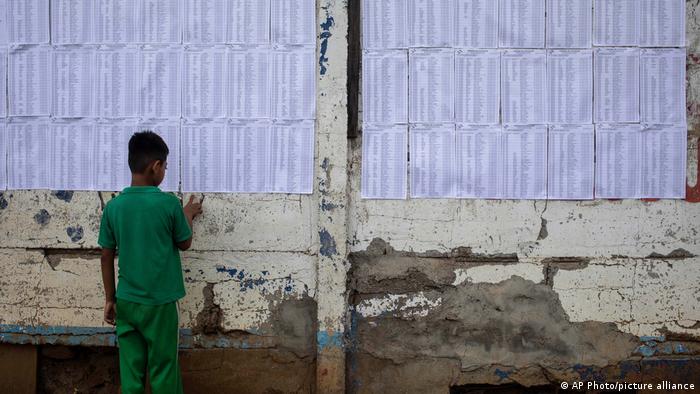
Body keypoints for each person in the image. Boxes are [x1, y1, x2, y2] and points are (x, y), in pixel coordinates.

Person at [98, 130, 203, 394]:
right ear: (156, 167)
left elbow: (106, 255)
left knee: (131, 373)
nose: (165, 171)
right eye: (165, 166)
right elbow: (184, 242)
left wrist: (111, 298)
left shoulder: (113, 207)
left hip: (127, 301)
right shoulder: (168, 205)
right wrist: (187, 213)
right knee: (163, 368)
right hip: (160, 304)